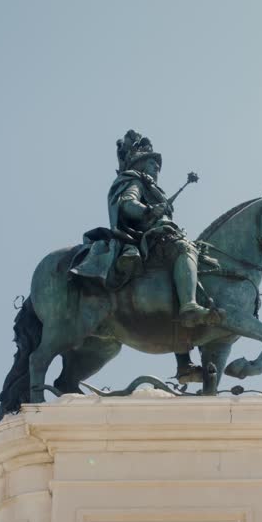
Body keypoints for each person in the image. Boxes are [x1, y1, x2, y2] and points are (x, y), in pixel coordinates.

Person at [108, 130, 219, 381]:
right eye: (152, 163)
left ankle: (185, 364)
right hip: (146, 237)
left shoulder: (151, 186)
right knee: (184, 248)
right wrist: (150, 209)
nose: (156, 169)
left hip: (159, 233)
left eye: (158, 165)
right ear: (139, 164)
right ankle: (190, 307)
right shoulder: (134, 180)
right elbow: (127, 204)